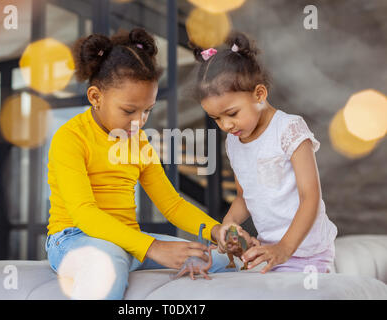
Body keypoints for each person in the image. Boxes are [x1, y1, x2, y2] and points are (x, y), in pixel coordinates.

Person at [45, 28, 232, 300]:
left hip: (127, 239)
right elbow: (85, 213)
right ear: (96, 97)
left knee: (220, 260)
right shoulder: (70, 137)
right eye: (129, 110)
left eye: (147, 110)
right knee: (105, 266)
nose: (140, 121)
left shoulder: (139, 142)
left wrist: (216, 231)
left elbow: (172, 204)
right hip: (73, 238)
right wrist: (152, 247)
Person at [190, 31, 338, 274]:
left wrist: (284, 248)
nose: (226, 125)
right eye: (216, 118)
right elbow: (243, 197)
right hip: (269, 252)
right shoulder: (234, 141)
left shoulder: (289, 128)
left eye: (232, 113)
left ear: (259, 94)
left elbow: (309, 197)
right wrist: (228, 224)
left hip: (307, 253)